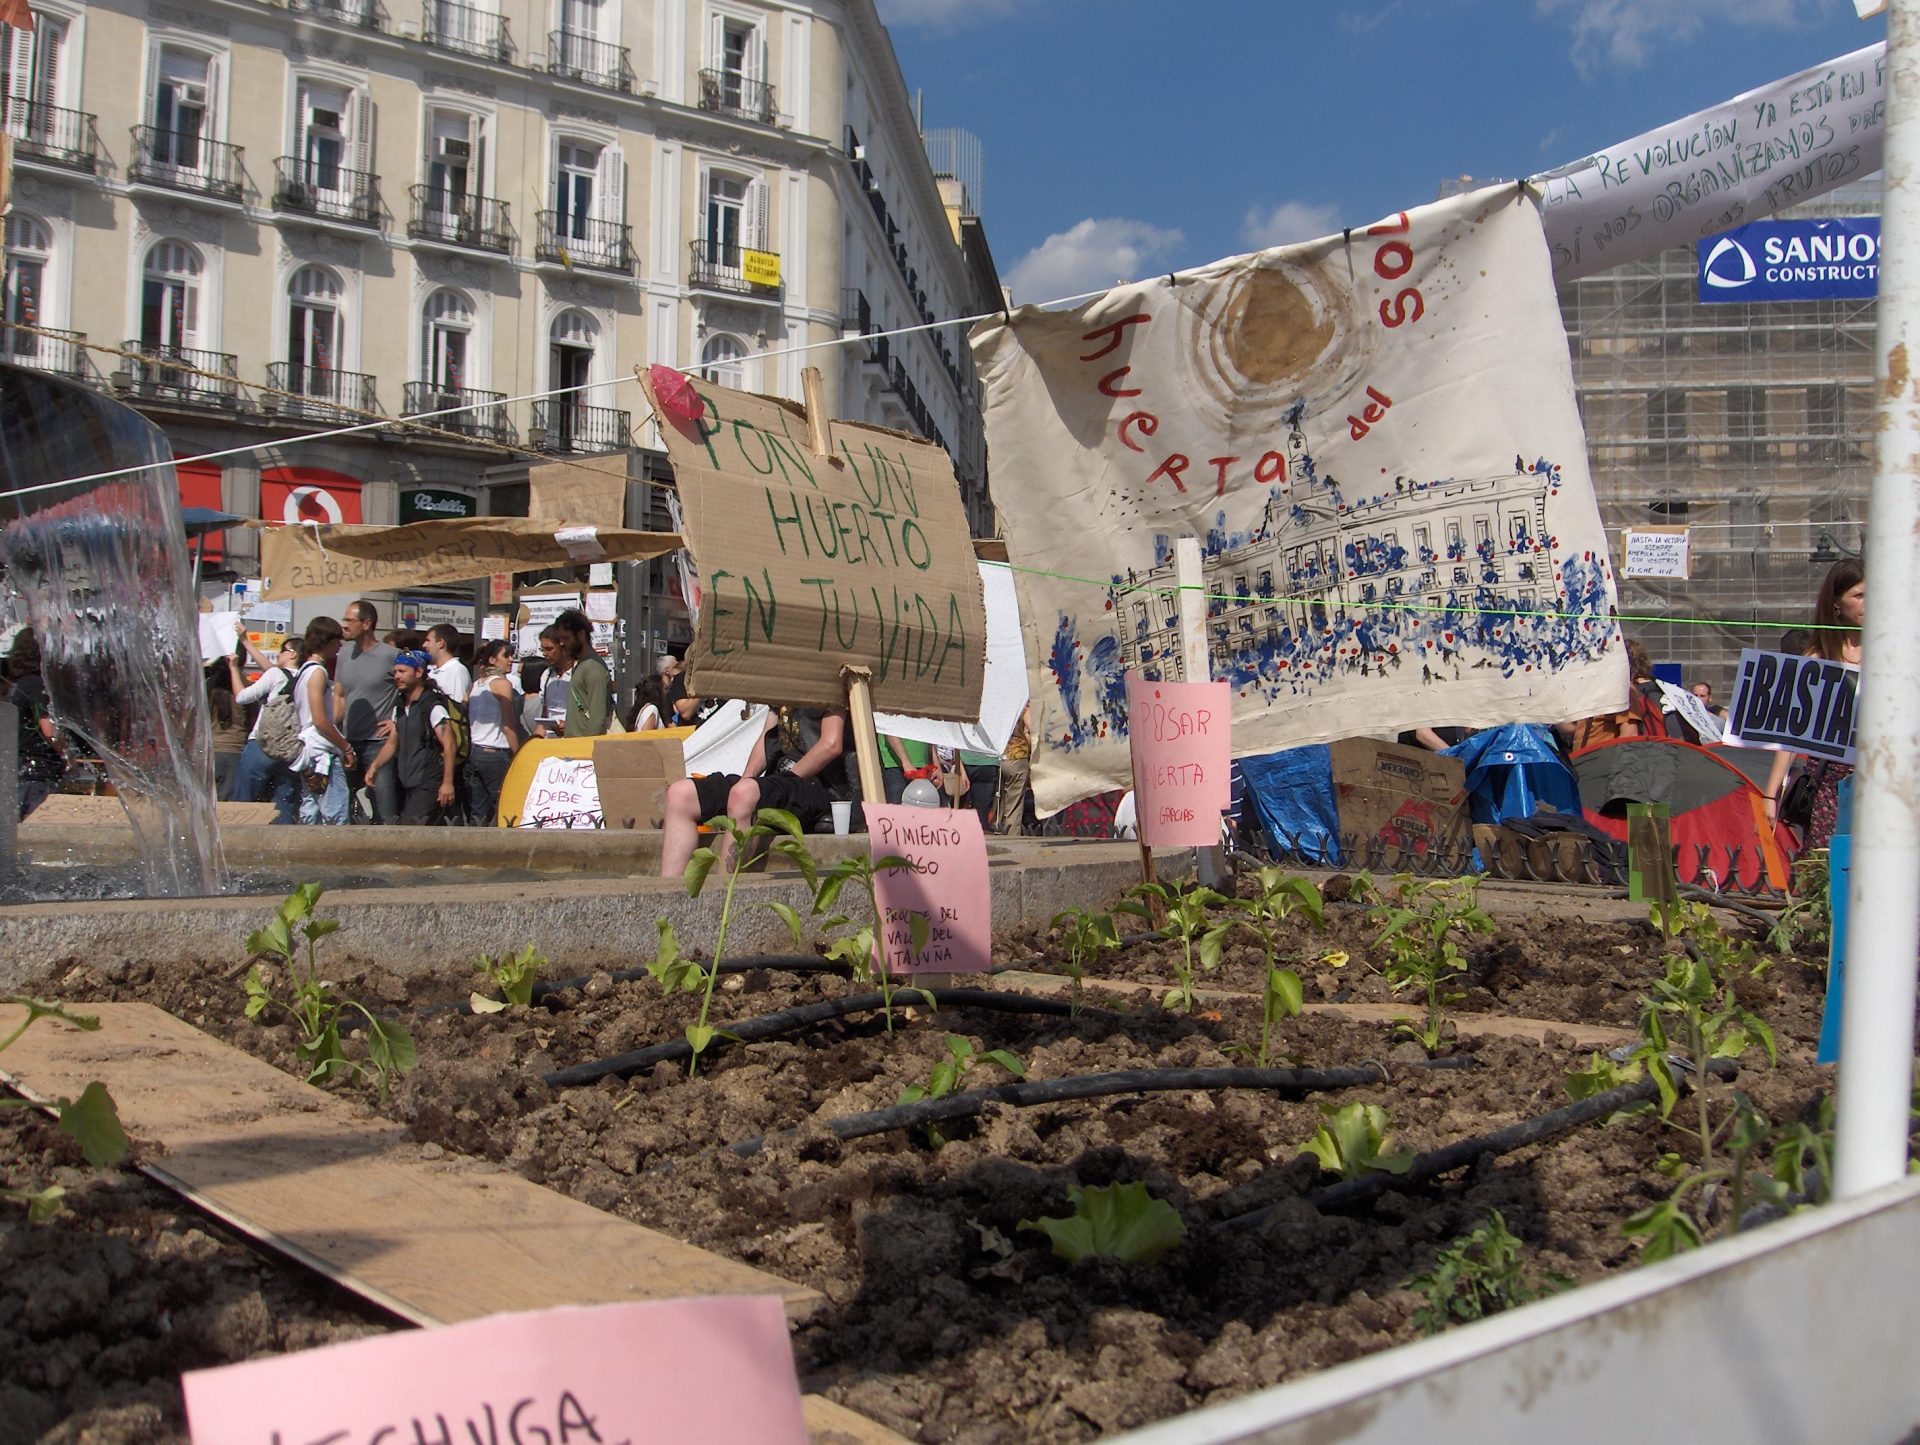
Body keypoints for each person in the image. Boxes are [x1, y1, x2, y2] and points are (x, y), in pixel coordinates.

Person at [659, 707, 850, 875]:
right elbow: (766, 739)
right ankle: (668, 901)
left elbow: (831, 745)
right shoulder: (783, 683)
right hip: (777, 781)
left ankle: (722, 901)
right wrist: (746, 779)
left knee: (744, 795)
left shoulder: (828, 680)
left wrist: (784, 778)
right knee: (680, 794)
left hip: (819, 788)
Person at [1766, 558, 1863, 850]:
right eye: (1859, 595)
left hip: (1886, 781)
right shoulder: (1817, 659)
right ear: (1837, 603)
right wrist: (1770, 793)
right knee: (1829, 870)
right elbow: (1792, 732)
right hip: (1831, 786)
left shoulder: (1895, 647)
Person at [365, 650, 459, 825]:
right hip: (407, 782)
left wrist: (447, 783)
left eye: (402, 671)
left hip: (429, 782)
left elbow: (450, 744)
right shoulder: (399, 707)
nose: (397, 676)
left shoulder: (432, 706)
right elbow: (392, 743)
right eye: (395, 672)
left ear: (419, 672)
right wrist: (375, 766)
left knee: (408, 827)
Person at [336, 600, 399, 823]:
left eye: (348, 620)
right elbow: (340, 696)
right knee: (346, 808)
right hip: (348, 743)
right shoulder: (343, 654)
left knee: (384, 810)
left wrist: (397, 723)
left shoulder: (390, 656)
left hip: (378, 744)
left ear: (366, 624)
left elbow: (413, 689)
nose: (343, 625)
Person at [229, 637, 304, 824]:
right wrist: (246, 640)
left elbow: (242, 697)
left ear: (292, 653)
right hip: (291, 750)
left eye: (282, 650)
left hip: (262, 747)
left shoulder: (275, 674)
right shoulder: (308, 676)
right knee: (284, 806)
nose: (279, 654)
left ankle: (241, 846)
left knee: (244, 805)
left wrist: (233, 668)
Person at [292, 617, 354, 826]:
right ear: (327, 642)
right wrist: (345, 747)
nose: (339, 647)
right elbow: (320, 720)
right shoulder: (318, 673)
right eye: (337, 642)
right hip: (321, 752)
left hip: (308, 750)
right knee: (335, 814)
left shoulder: (303, 672)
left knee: (311, 811)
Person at [6, 629, 63, 819]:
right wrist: (66, 754)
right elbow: (48, 731)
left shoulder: (16, 686)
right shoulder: (37, 685)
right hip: (38, 772)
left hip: (18, 768)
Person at [463, 639, 522, 826]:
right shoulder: (502, 685)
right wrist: (519, 754)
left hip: (474, 753)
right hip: (495, 753)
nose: (511, 660)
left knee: (478, 811)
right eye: (506, 655)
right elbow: (508, 725)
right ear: (492, 660)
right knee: (504, 806)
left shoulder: (475, 685)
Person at [205, 658, 249, 800]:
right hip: (235, 750)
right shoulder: (244, 694)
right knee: (228, 802)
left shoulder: (208, 692)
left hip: (211, 750)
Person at [993, 705, 1031, 836]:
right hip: (1017, 756)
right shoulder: (1022, 706)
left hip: (996, 758)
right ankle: (1012, 839)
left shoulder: (998, 707)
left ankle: (997, 830)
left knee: (999, 802)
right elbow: (1032, 729)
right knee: (1014, 807)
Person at [425, 624, 471, 703]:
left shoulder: (457, 670)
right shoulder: (431, 670)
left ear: (440, 643)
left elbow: (457, 708)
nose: (424, 645)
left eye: (428, 640)